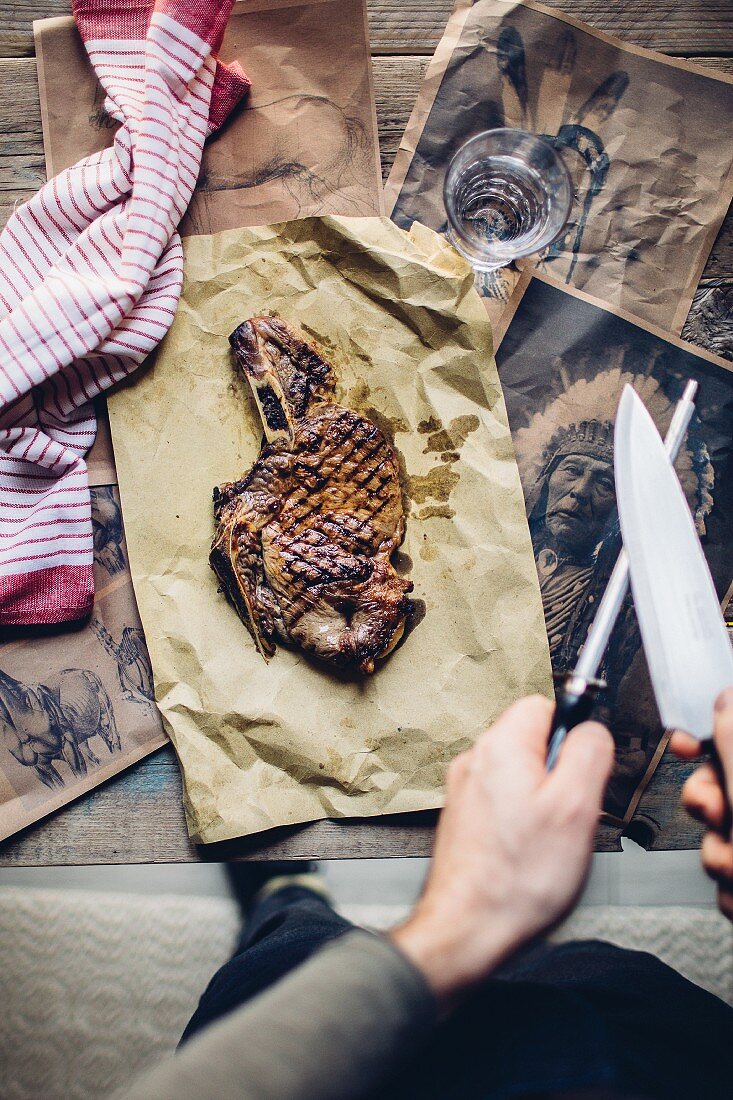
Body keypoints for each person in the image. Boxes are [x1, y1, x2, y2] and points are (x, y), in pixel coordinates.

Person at [116, 692, 733, 1100]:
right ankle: (515, 958)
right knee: (606, 971)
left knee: (292, 952)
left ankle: (286, 895)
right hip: (652, 1059)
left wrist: (459, 926)